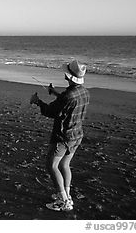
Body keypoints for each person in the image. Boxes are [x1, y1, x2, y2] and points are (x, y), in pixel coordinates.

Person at [30, 59, 90, 212]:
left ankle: (64, 201)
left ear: (70, 77)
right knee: (64, 165)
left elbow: (51, 111)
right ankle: (67, 196)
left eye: (67, 72)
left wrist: (37, 102)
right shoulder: (84, 92)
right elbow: (66, 102)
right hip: (77, 135)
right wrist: (54, 92)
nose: (65, 74)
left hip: (63, 137)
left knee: (52, 166)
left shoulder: (68, 96)